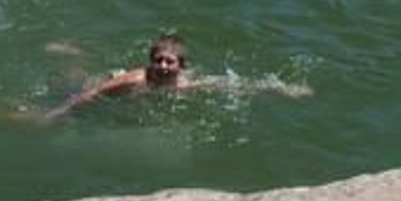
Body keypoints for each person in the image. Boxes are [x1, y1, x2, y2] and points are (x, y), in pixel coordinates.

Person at [40, 32, 312, 120]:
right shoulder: (136, 80)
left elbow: (233, 85)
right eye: (157, 60)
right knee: (76, 81)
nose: (162, 66)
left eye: (169, 62)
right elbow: (91, 94)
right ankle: (73, 54)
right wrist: (55, 113)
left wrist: (284, 89)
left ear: (181, 66)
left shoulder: (186, 84)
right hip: (104, 82)